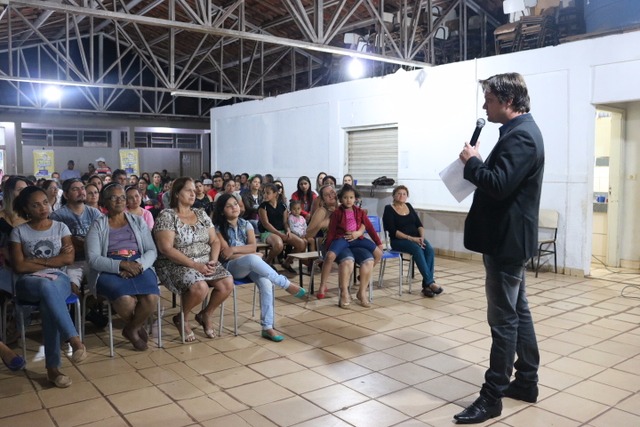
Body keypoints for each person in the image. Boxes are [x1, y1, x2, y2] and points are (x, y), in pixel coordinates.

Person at [453, 72, 544, 424]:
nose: (484, 105)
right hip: (507, 238)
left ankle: (491, 397)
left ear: (507, 101)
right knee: (518, 312)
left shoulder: (522, 136)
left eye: (489, 99)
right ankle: (526, 381)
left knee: (503, 320)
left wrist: (472, 162)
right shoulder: (518, 132)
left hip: (506, 241)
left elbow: (499, 184)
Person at [9, 186, 87, 388]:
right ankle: (74, 340)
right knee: (45, 286)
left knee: (48, 297)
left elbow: (68, 258)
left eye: (45, 202)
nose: (42, 208)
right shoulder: (19, 232)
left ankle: (53, 371)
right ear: (26, 208)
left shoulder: (61, 228)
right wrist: (53, 260)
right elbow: (19, 265)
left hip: (58, 278)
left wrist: (36, 261)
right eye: (35, 205)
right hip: (28, 282)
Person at [214, 194, 307, 342]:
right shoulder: (217, 229)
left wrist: (238, 250)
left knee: (266, 282)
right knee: (253, 258)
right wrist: (250, 253)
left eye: (235, 204)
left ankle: (267, 327)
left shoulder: (246, 224)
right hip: (231, 268)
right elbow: (226, 254)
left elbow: (252, 246)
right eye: (229, 206)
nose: (234, 207)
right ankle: (286, 284)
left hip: (249, 265)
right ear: (221, 211)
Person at [153, 177, 233, 342]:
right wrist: (195, 265)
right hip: (176, 264)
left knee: (227, 283)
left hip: (204, 261)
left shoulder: (200, 213)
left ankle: (205, 314)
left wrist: (213, 260)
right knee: (200, 287)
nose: (194, 193)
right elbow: (166, 248)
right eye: (188, 190)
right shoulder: (167, 215)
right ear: (176, 193)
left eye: (194, 190)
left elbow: (215, 241)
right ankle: (182, 318)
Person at [86, 183, 160, 351]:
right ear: (104, 202)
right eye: (113, 197)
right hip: (109, 266)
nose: (119, 201)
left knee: (151, 297)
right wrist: (121, 265)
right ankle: (136, 327)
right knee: (125, 300)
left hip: (137, 262)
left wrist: (138, 265)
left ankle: (131, 328)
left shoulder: (138, 221)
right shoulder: (97, 225)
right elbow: (93, 259)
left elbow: (151, 250)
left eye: (122, 197)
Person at [322, 184, 382, 307]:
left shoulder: (359, 212)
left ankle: (362, 291)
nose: (348, 200)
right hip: (342, 238)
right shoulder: (337, 212)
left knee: (378, 253)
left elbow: (369, 228)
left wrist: (378, 242)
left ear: (355, 199)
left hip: (357, 239)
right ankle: (324, 285)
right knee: (330, 256)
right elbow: (332, 231)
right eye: (345, 197)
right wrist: (329, 246)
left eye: (351, 197)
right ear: (340, 199)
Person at [383, 185, 442, 297]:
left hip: (416, 238)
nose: (401, 196)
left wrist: (422, 237)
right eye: (399, 193)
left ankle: (426, 286)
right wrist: (412, 239)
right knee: (417, 249)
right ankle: (430, 282)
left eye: (404, 194)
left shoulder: (409, 206)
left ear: (407, 196)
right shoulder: (388, 209)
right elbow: (393, 231)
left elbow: (419, 224)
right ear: (394, 195)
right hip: (398, 240)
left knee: (428, 249)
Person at [50, 178, 103, 296]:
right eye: (75, 189)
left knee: (103, 287)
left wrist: (76, 242)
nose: (81, 191)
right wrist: (86, 243)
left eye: (82, 188)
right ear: (66, 195)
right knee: (70, 288)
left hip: (92, 260)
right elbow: (61, 245)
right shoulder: (57, 216)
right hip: (71, 263)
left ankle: (90, 309)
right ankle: (75, 312)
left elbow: (102, 240)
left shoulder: (94, 213)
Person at [258, 183, 306, 272]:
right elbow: (266, 224)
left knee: (301, 244)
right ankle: (267, 262)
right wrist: (279, 234)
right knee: (278, 245)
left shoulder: (282, 206)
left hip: (282, 231)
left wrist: (287, 230)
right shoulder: (263, 206)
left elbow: (285, 222)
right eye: (264, 193)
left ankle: (287, 262)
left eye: (268, 193)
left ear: (275, 194)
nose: (265, 195)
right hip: (268, 232)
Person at [306, 184, 338, 292]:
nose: (331, 195)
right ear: (323, 199)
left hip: (344, 242)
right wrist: (321, 225)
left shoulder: (343, 206)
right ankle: (324, 286)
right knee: (347, 260)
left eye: (332, 192)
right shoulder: (322, 211)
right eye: (326, 195)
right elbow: (308, 234)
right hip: (327, 245)